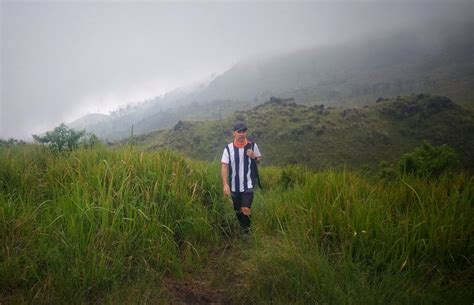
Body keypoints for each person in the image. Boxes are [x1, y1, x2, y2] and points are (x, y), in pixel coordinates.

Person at [221, 121, 262, 234]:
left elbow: (258, 159)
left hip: (248, 184)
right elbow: (224, 166)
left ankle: (246, 232)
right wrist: (225, 184)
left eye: (244, 131)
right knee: (238, 210)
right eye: (239, 132)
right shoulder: (228, 149)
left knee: (246, 208)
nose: (242, 134)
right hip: (234, 185)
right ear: (234, 133)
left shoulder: (253, 145)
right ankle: (243, 225)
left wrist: (254, 156)